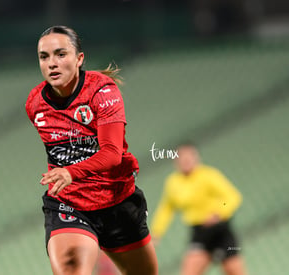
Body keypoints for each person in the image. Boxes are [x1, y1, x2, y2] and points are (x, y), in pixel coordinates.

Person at [25, 25, 158, 275]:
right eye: (44, 57)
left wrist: (71, 172)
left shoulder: (102, 91)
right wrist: (69, 178)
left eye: (60, 54)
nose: (51, 63)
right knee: (72, 267)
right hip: (69, 204)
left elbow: (111, 153)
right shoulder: (35, 104)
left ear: (79, 59)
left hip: (117, 201)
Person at [150, 143, 247, 275]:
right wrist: (156, 233)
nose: (186, 161)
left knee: (234, 270)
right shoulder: (173, 182)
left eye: (189, 157)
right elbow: (166, 209)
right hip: (200, 233)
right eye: (182, 158)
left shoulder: (208, 175)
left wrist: (218, 213)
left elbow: (232, 197)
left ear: (196, 158)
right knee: (189, 270)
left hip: (222, 231)